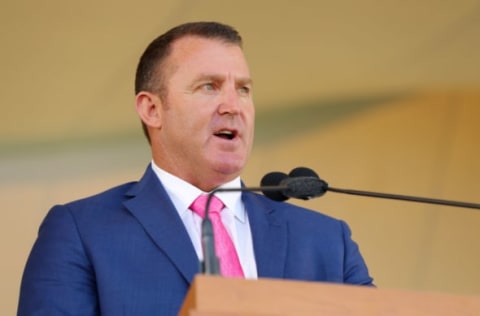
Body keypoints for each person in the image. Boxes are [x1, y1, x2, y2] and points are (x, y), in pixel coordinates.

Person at [18, 21, 373, 315]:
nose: (233, 105)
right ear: (152, 110)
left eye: (244, 89)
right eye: (209, 86)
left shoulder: (326, 241)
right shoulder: (82, 232)